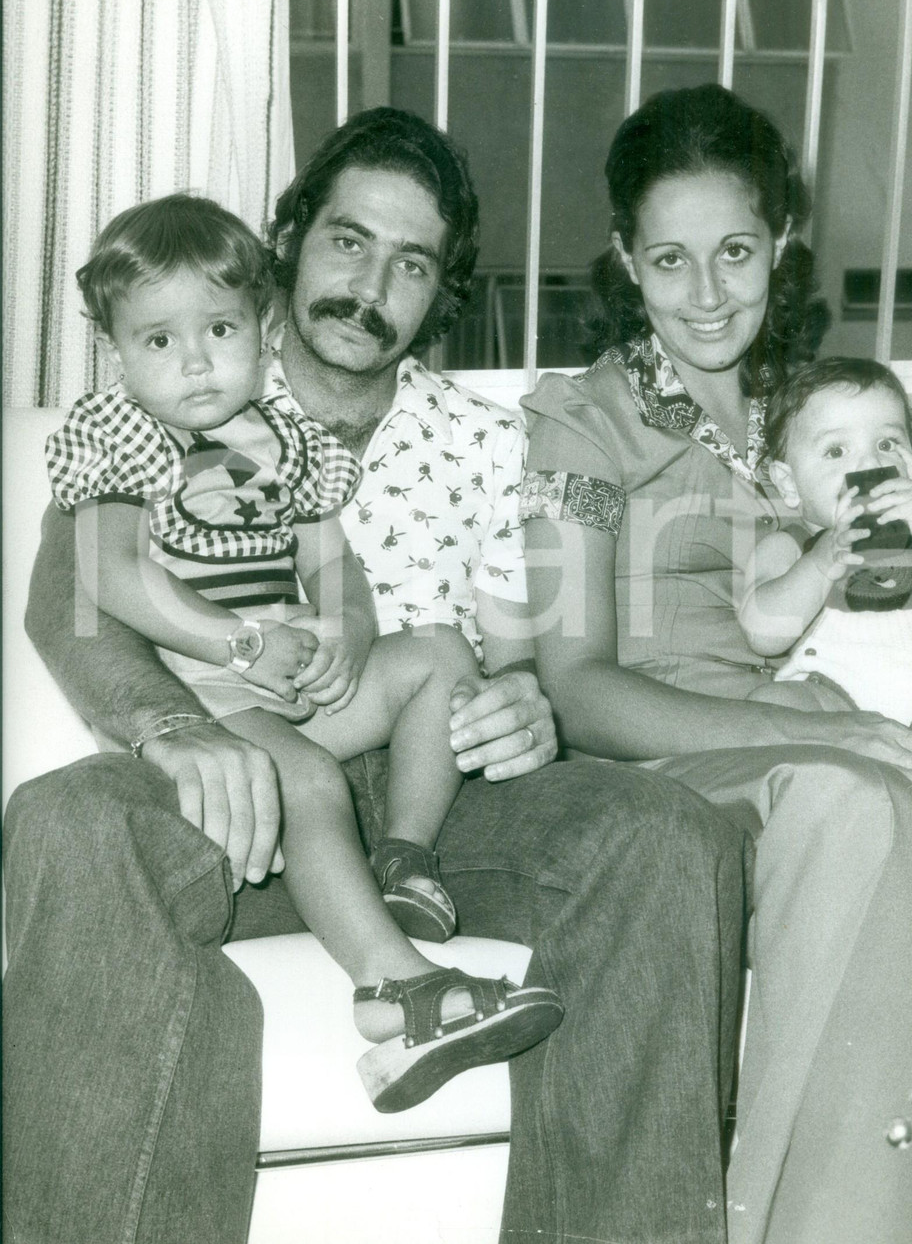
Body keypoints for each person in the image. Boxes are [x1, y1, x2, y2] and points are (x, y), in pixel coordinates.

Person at [6, 107, 746, 1244]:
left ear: (441, 289)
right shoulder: (180, 373)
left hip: (436, 799)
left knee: (665, 833)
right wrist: (170, 726)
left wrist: (524, 707)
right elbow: (73, 597)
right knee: (66, 820)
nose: (372, 283)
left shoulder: (489, 439)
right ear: (289, 243)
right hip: (232, 779)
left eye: (412, 262)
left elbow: (521, 649)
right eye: (348, 241)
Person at [520, 83, 912, 1243]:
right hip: (668, 761)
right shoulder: (574, 424)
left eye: (734, 251)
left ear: (778, 245)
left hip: (827, 727)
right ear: (626, 263)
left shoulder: (819, 414)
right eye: (670, 259)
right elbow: (574, 682)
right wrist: (829, 735)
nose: (706, 293)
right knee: (858, 799)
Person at [45, 191, 562, 1113]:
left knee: (442, 651)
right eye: (158, 340)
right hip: (207, 690)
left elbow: (333, 561)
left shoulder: (285, 436)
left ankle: (404, 860)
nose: (195, 361)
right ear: (117, 349)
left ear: (261, 321)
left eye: (219, 329)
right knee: (312, 786)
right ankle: (395, 989)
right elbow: (110, 577)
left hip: (293, 680)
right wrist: (238, 641)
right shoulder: (124, 433)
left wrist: (346, 632)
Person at [739, 356, 912, 736]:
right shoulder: (791, 545)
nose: (869, 462)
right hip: (833, 698)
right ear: (789, 484)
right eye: (836, 451)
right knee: (769, 706)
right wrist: (821, 562)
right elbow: (762, 635)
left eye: (887, 443)